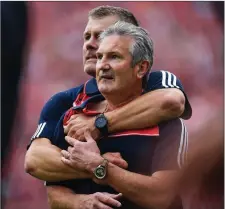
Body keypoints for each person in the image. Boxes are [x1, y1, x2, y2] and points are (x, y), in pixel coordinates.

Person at [24, 5, 191, 208]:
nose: (90, 45)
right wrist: (93, 168)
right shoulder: (68, 106)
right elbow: (36, 162)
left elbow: (171, 102)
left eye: (101, 36)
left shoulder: (157, 85)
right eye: (87, 37)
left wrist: (99, 125)